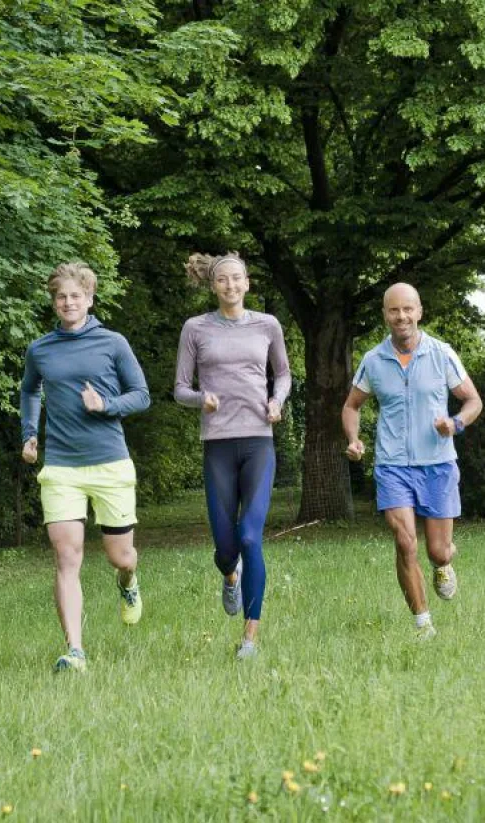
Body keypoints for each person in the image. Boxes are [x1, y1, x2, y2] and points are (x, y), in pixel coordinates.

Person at [21, 262, 151, 673]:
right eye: (61, 296)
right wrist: (30, 432)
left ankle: (128, 584)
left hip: (110, 461)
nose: (68, 302)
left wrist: (106, 405)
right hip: (61, 465)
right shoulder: (40, 349)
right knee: (66, 556)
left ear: (89, 299)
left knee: (121, 556)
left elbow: (142, 395)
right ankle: (75, 650)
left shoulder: (112, 343)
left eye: (76, 295)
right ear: (54, 302)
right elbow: (29, 391)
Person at [342, 283, 483, 639]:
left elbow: (472, 401)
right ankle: (423, 623)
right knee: (405, 541)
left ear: (419, 311)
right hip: (392, 465)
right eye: (394, 310)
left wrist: (455, 423)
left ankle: (445, 562)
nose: (401, 316)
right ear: (385, 315)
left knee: (436, 550)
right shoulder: (373, 360)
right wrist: (354, 439)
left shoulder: (441, 353)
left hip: (437, 463)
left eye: (408, 309)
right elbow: (351, 405)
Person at [174, 252, 292, 660]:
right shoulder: (195, 328)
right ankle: (230, 575)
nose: (230, 286)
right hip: (218, 444)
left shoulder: (267, 325)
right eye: (222, 280)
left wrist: (276, 400)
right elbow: (179, 388)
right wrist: (199, 399)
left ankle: (249, 638)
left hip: (258, 440)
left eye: (237, 279)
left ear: (247, 282)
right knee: (226, 548)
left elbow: (285, 373)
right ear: (213, 285)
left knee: (249, 536)